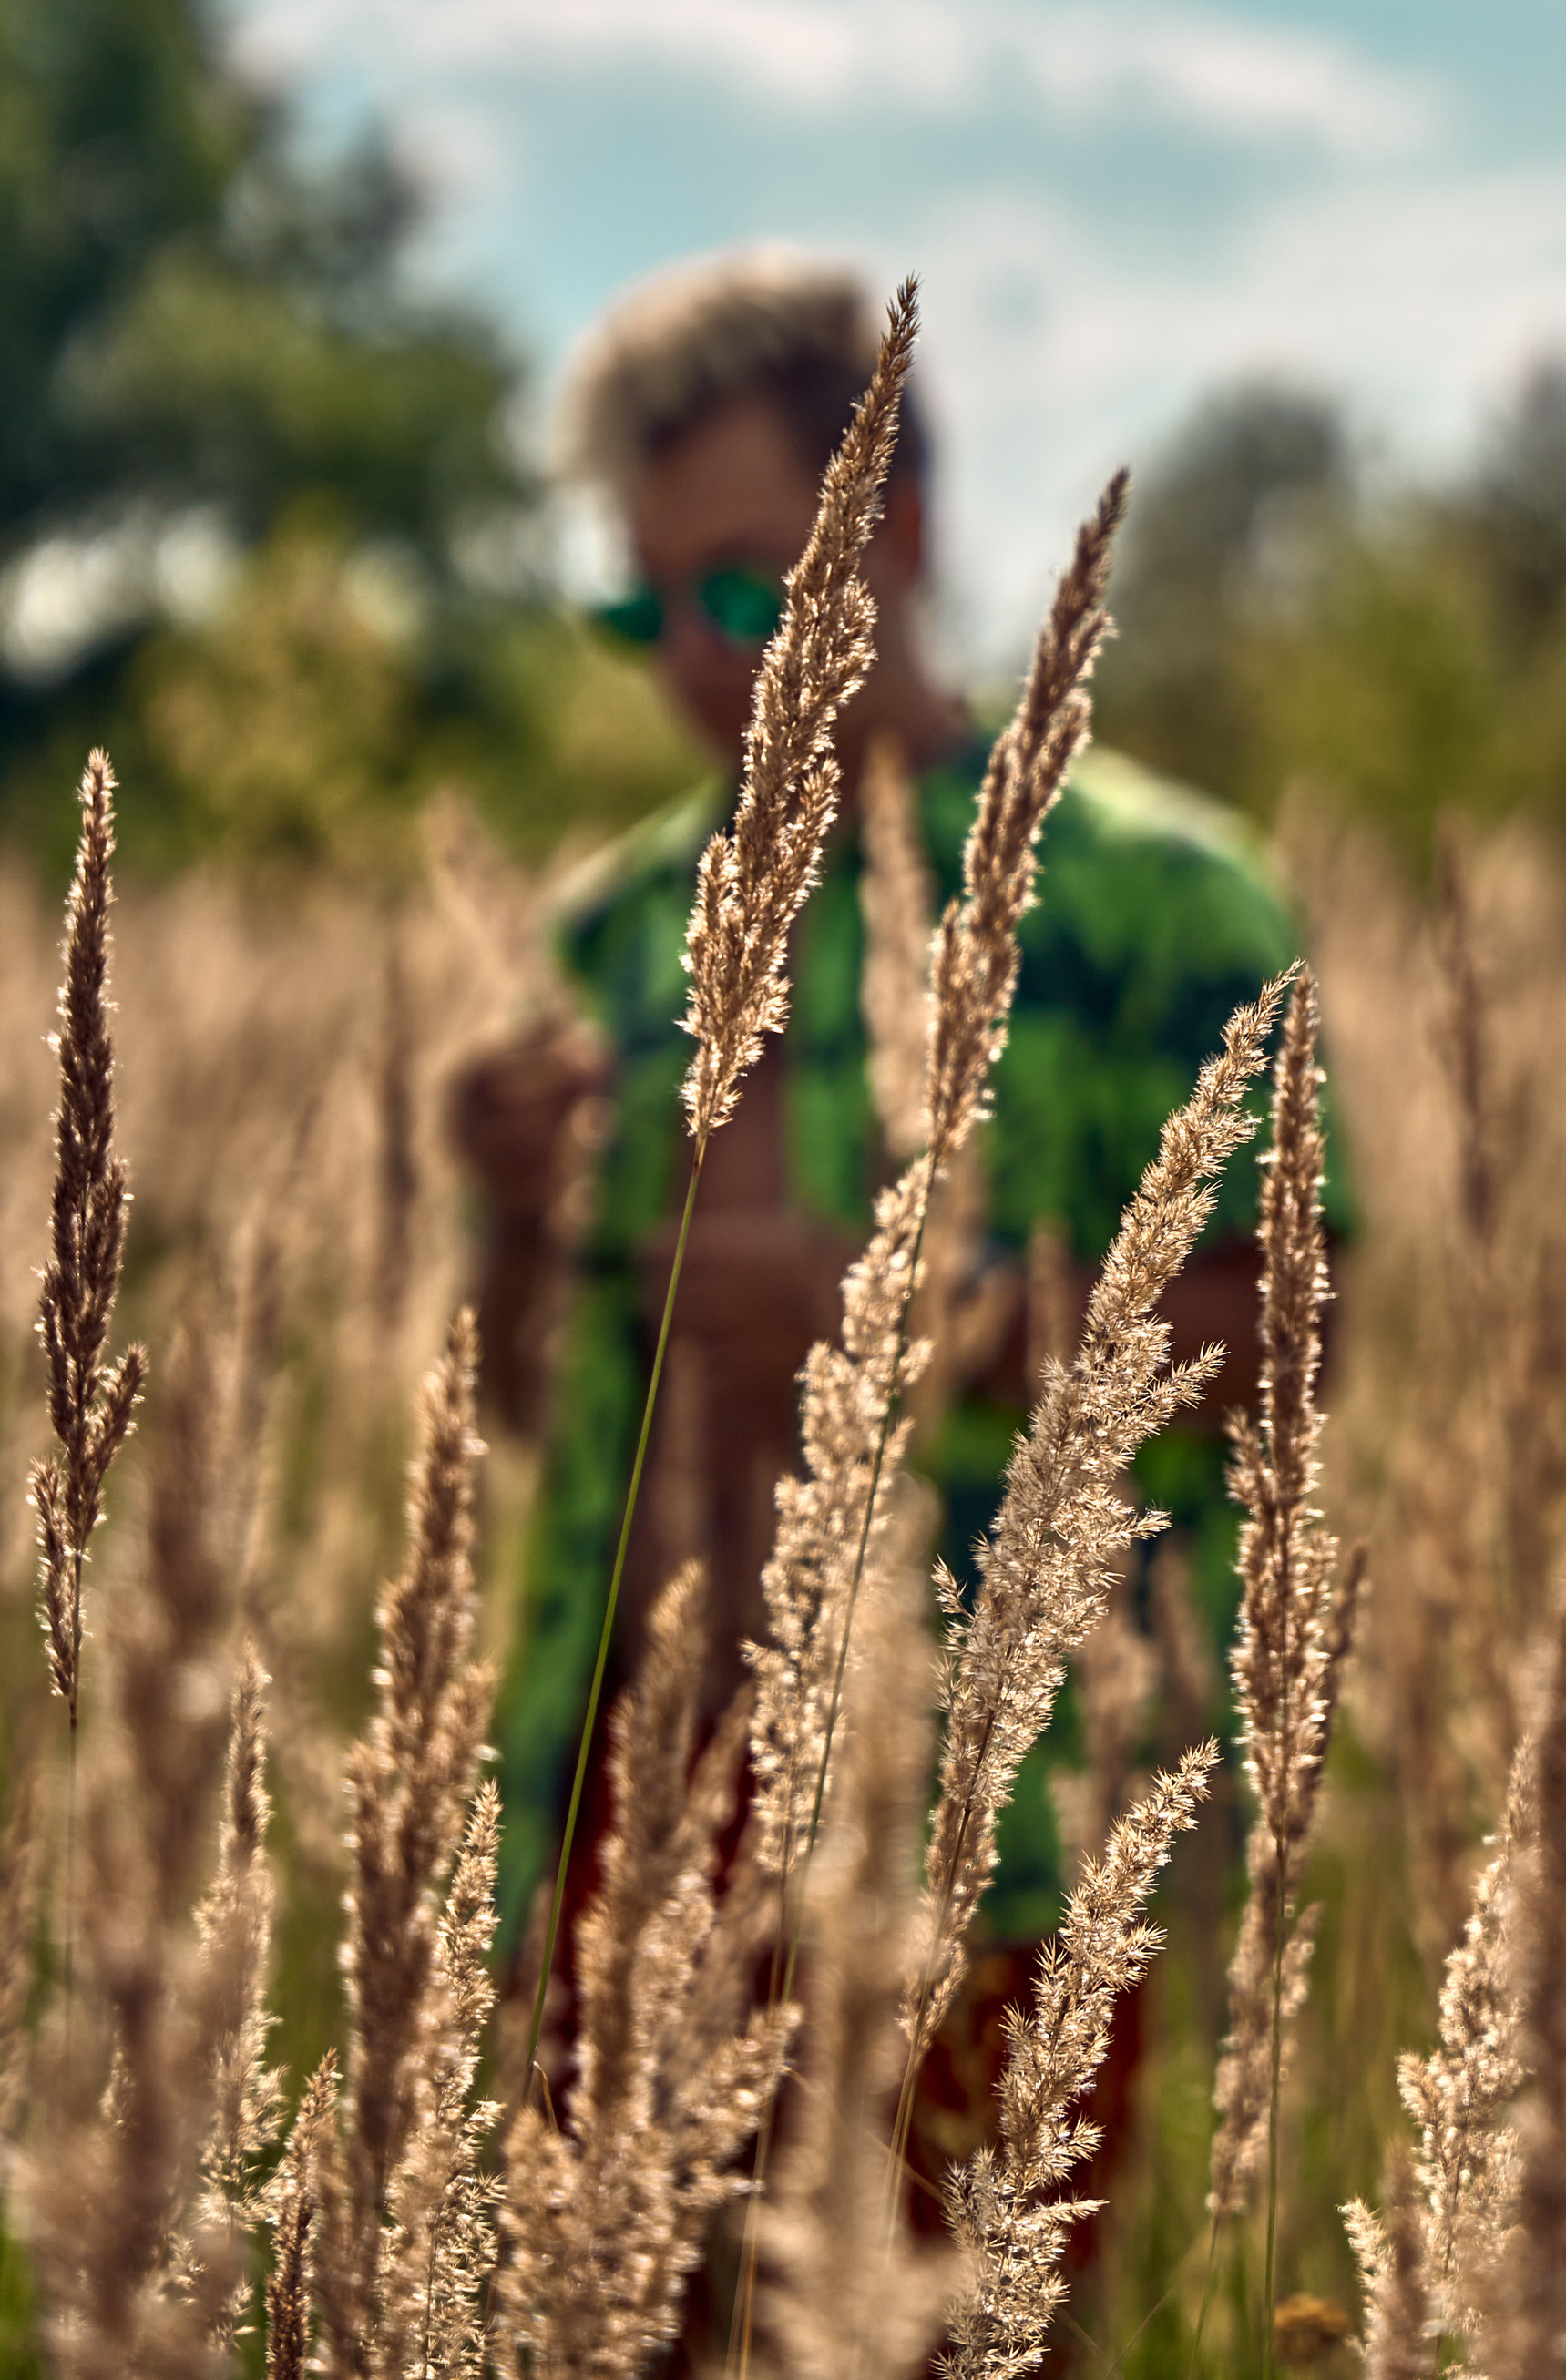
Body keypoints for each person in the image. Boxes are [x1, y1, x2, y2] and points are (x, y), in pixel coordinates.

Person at [453, 247, 1338, 1977]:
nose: (698, 667)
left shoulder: (1159, 903)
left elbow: (1292, 1332)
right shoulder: (621, 932)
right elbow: (527, 1408)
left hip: (986, 1847)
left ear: (901, 534)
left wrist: (925, 1323)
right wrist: (506, 1224)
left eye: (747, 595)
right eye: (646, 607)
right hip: (632, 1817)